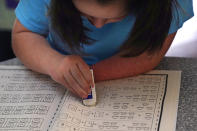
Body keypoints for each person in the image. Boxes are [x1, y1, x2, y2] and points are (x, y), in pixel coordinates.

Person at [12, 0, 193, 98]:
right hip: (51, 69)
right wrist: (54, 63)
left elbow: (148, 54)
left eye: (113, 18)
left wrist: (90, 75)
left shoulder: (170, 3)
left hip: (129, 73)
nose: (98, 26)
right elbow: (23, 34)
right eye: (85, 15)